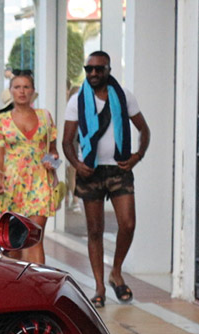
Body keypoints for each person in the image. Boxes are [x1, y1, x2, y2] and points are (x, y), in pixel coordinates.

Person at [63, 51, 150, 308]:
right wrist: (77, 164)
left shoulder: (124, 96)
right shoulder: (77, 100)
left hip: (119, 168)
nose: (92, 74)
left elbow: (144, 129)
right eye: (88, 69)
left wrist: (137, 156)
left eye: (98, 69)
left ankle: (117, 271)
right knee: (95, 230)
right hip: (90, 170)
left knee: (128, 223)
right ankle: (100, 286)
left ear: (108, 69)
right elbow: (67, 141)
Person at [0, 71, 59, 265]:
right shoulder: (1, 121)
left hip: (40, 181)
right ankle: (15, 284)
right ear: (10, 91)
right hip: (12, 184)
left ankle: (38, 285)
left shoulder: (45, 117)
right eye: (17, 87)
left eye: (26, 87)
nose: (22, 91)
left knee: (34, 237)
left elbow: (53, 150)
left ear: (33, 91)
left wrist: (51, 161)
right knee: (14, 243)